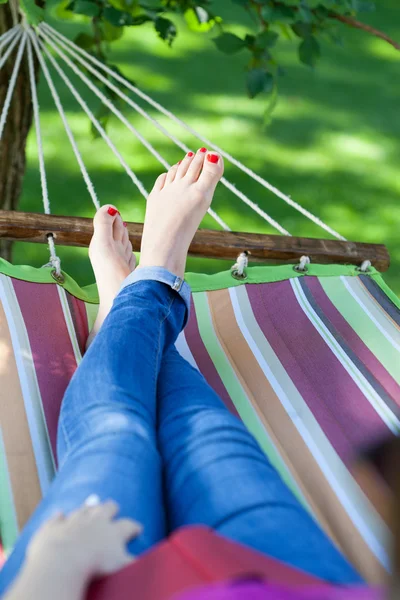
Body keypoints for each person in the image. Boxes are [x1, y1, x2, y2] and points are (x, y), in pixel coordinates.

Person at [0, 149, 378, 600]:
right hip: (289, 584)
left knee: (115, 432)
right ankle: (139, 294)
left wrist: (49, 575)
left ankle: (137, 298)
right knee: (209, 433)